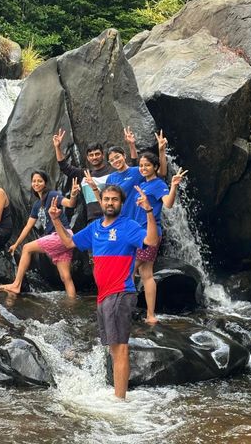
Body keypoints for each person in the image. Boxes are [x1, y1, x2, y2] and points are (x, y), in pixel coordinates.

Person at [48, 184, 158, 399]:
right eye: (106, 199)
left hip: (121, 292)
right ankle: (118, 396)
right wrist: (55, 220)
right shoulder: (95, 227)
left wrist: (148, 211)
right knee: (113, 348)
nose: (109, 203)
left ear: (121, 203)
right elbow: (69, 242)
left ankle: (120, 401)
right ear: (101, 202)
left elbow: (151, 241)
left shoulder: (128, 226)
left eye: (114, 199)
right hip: (104, 295)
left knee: (120, 348)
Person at [0, 170, 80, 297]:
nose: (36, 183)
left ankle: (16, 285)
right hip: (63, 240)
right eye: (34, 181)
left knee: (27, 248)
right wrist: (16, 244)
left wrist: (73, 195)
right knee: (65, 277)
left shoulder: (53, 195)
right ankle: (72, 303)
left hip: (61, 235)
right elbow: (28, 226)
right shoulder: (37, 205)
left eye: (40, 181)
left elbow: (70, 203)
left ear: (45, 183)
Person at [134, 152, 188, 324]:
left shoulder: (158, 184)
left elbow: (168, 203)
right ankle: (150, 315)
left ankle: (121, 309)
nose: (143, 168)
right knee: (147, 274)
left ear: (155, 167)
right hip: (139, 232)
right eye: (141, 165)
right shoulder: (143, 184)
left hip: (148, 234)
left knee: (126, 269)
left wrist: (173, 186)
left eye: (147, 165)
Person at [53, 128, 138, 223]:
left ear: (102, 155)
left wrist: (131, 145)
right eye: (91, 155)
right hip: (92, 218)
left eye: (97, 154)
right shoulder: (84, 174)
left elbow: (133, 168)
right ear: (88, 158)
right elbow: (65, 167)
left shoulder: (113, 170)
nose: (94, 157)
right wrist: (57, 147)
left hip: (113, 215)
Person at [86, 128, 168, 220]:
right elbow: (104, 201)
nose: (115, 161)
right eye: (112, 160)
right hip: (122, 220)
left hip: (141, 219)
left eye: (117, 157)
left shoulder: (137, 171)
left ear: (124, 155)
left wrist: (161, 151)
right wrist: (94, 188)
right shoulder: (111, 178)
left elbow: (162, 173)